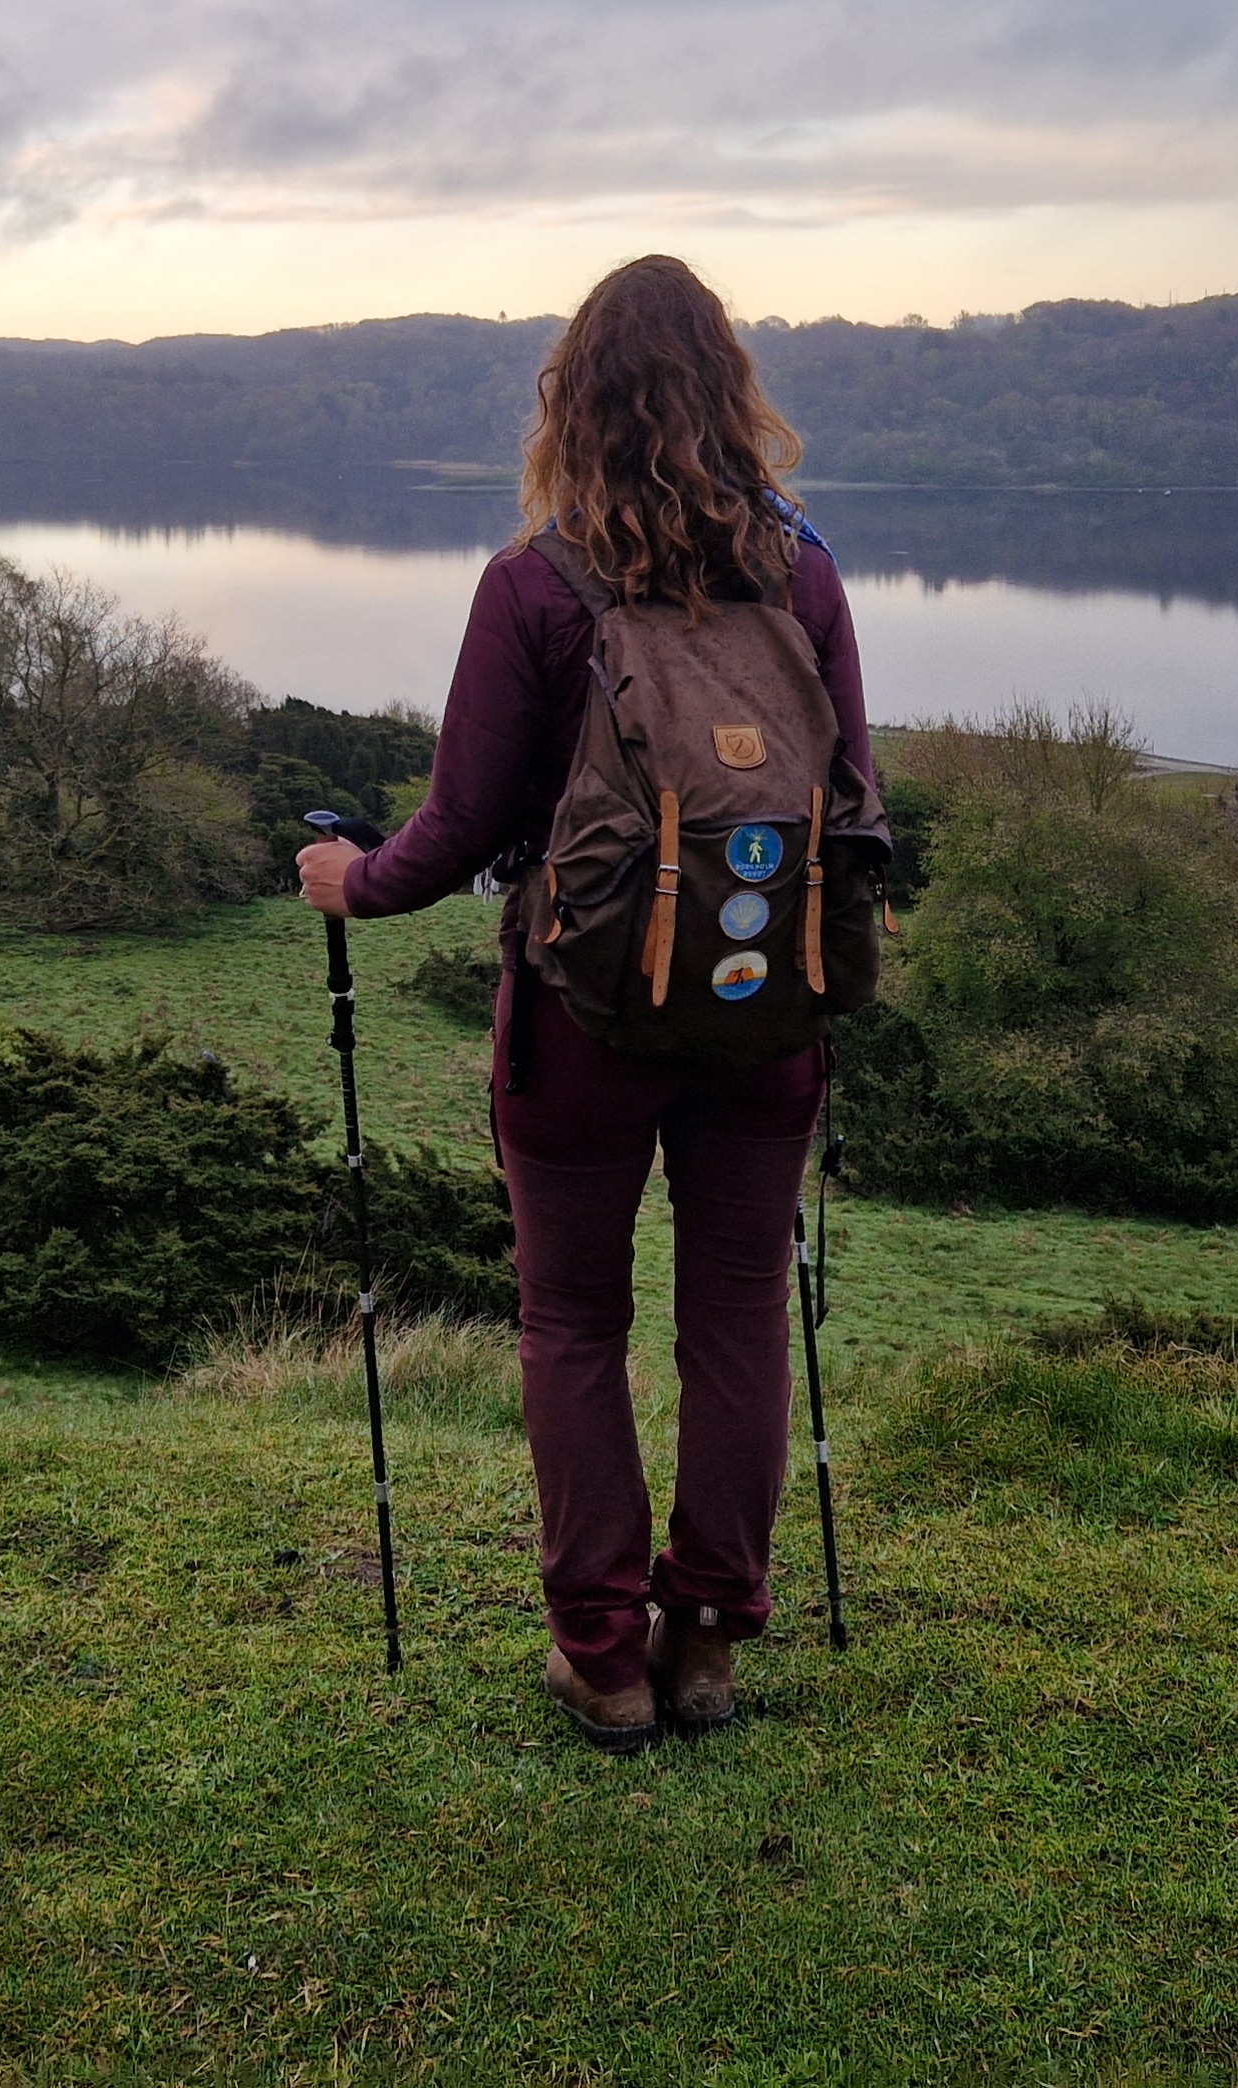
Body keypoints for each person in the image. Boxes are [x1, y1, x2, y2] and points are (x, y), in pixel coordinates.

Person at [297, 253, 874, 1751]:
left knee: (572, 1322)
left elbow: (452, 832)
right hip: (766, 1008)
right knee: (740, 1312)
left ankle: (604, 1660)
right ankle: (710, 1647)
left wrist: (342, 883)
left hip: (583, 1024)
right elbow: (854, 804)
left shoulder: (535, 584)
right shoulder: (800, 571)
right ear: (734, 394)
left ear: (574, 403)